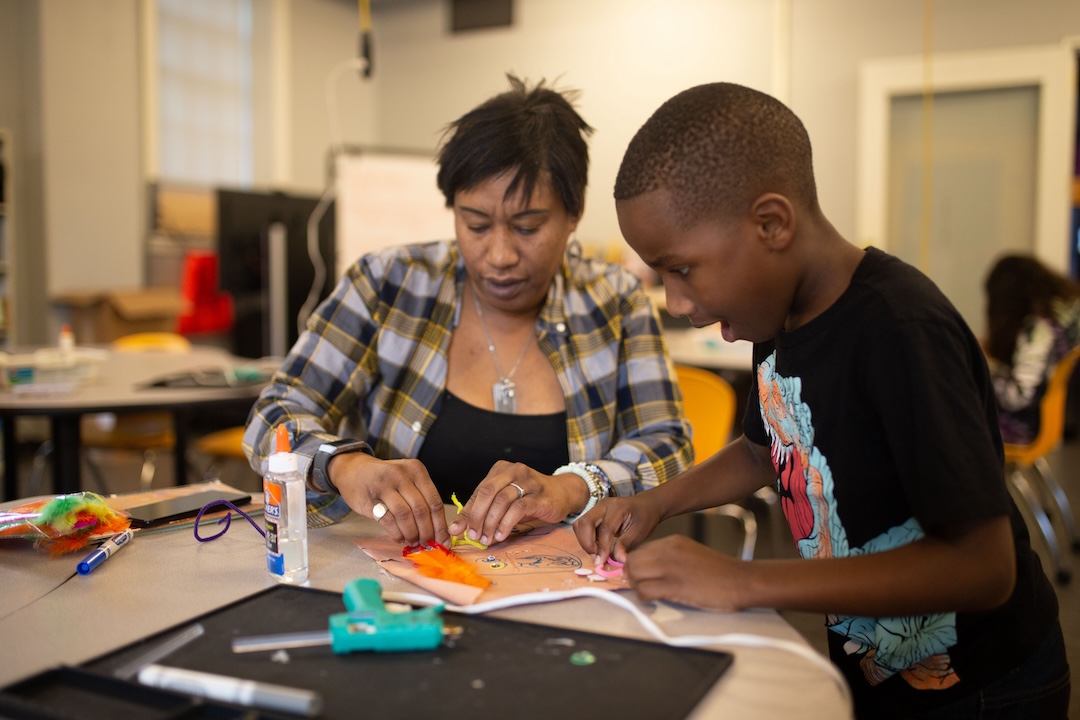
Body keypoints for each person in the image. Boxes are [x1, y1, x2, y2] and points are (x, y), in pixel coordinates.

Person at [575, 82, 1069, 718]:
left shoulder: (900, 330)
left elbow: (984, 566)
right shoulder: (775, 317)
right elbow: (764, 451)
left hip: (987, 685)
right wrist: (651, 504)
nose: (674, 302)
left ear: (772, 224)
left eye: (682, 269)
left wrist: (743, 580)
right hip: (877, 665)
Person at [244, 74, 692, 550]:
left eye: (527, 226)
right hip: (394, 586)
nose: (499, 254)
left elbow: (668, 443)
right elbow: (273, 414)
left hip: (560, 587)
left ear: (574, 212)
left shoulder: (614, 301)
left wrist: (571, 487)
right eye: (475, 224)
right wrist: (344, 465)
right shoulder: (389, 283)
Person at [984, 253, 1080, 444]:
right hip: (1053, 420)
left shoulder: (1039, 331)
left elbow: (1018, 395)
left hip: (1025, 426)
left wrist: (983, 372)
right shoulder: (1068, 316)